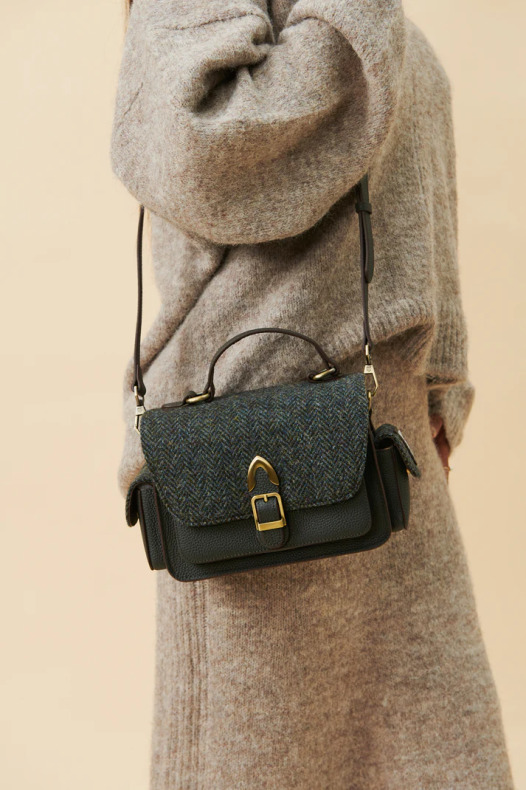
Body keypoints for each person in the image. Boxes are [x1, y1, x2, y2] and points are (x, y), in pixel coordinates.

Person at [110, 1, 514, 787]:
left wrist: (442, 385)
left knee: (438, 757)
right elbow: (202, 156)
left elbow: (426, 194)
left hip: (385, 441)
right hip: (238, 454)